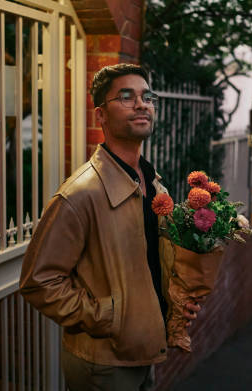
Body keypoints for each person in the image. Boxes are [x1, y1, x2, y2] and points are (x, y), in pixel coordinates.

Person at [19, 63, 202, 391]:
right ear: (100, 115)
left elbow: (149, 266)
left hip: (145, 352)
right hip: (104, 364)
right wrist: (109, 316)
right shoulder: (80, 195)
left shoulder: (153, 185)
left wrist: (177, 301)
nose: (142, 104)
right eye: (127, 97)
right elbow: (39, 282)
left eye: (147, 96)